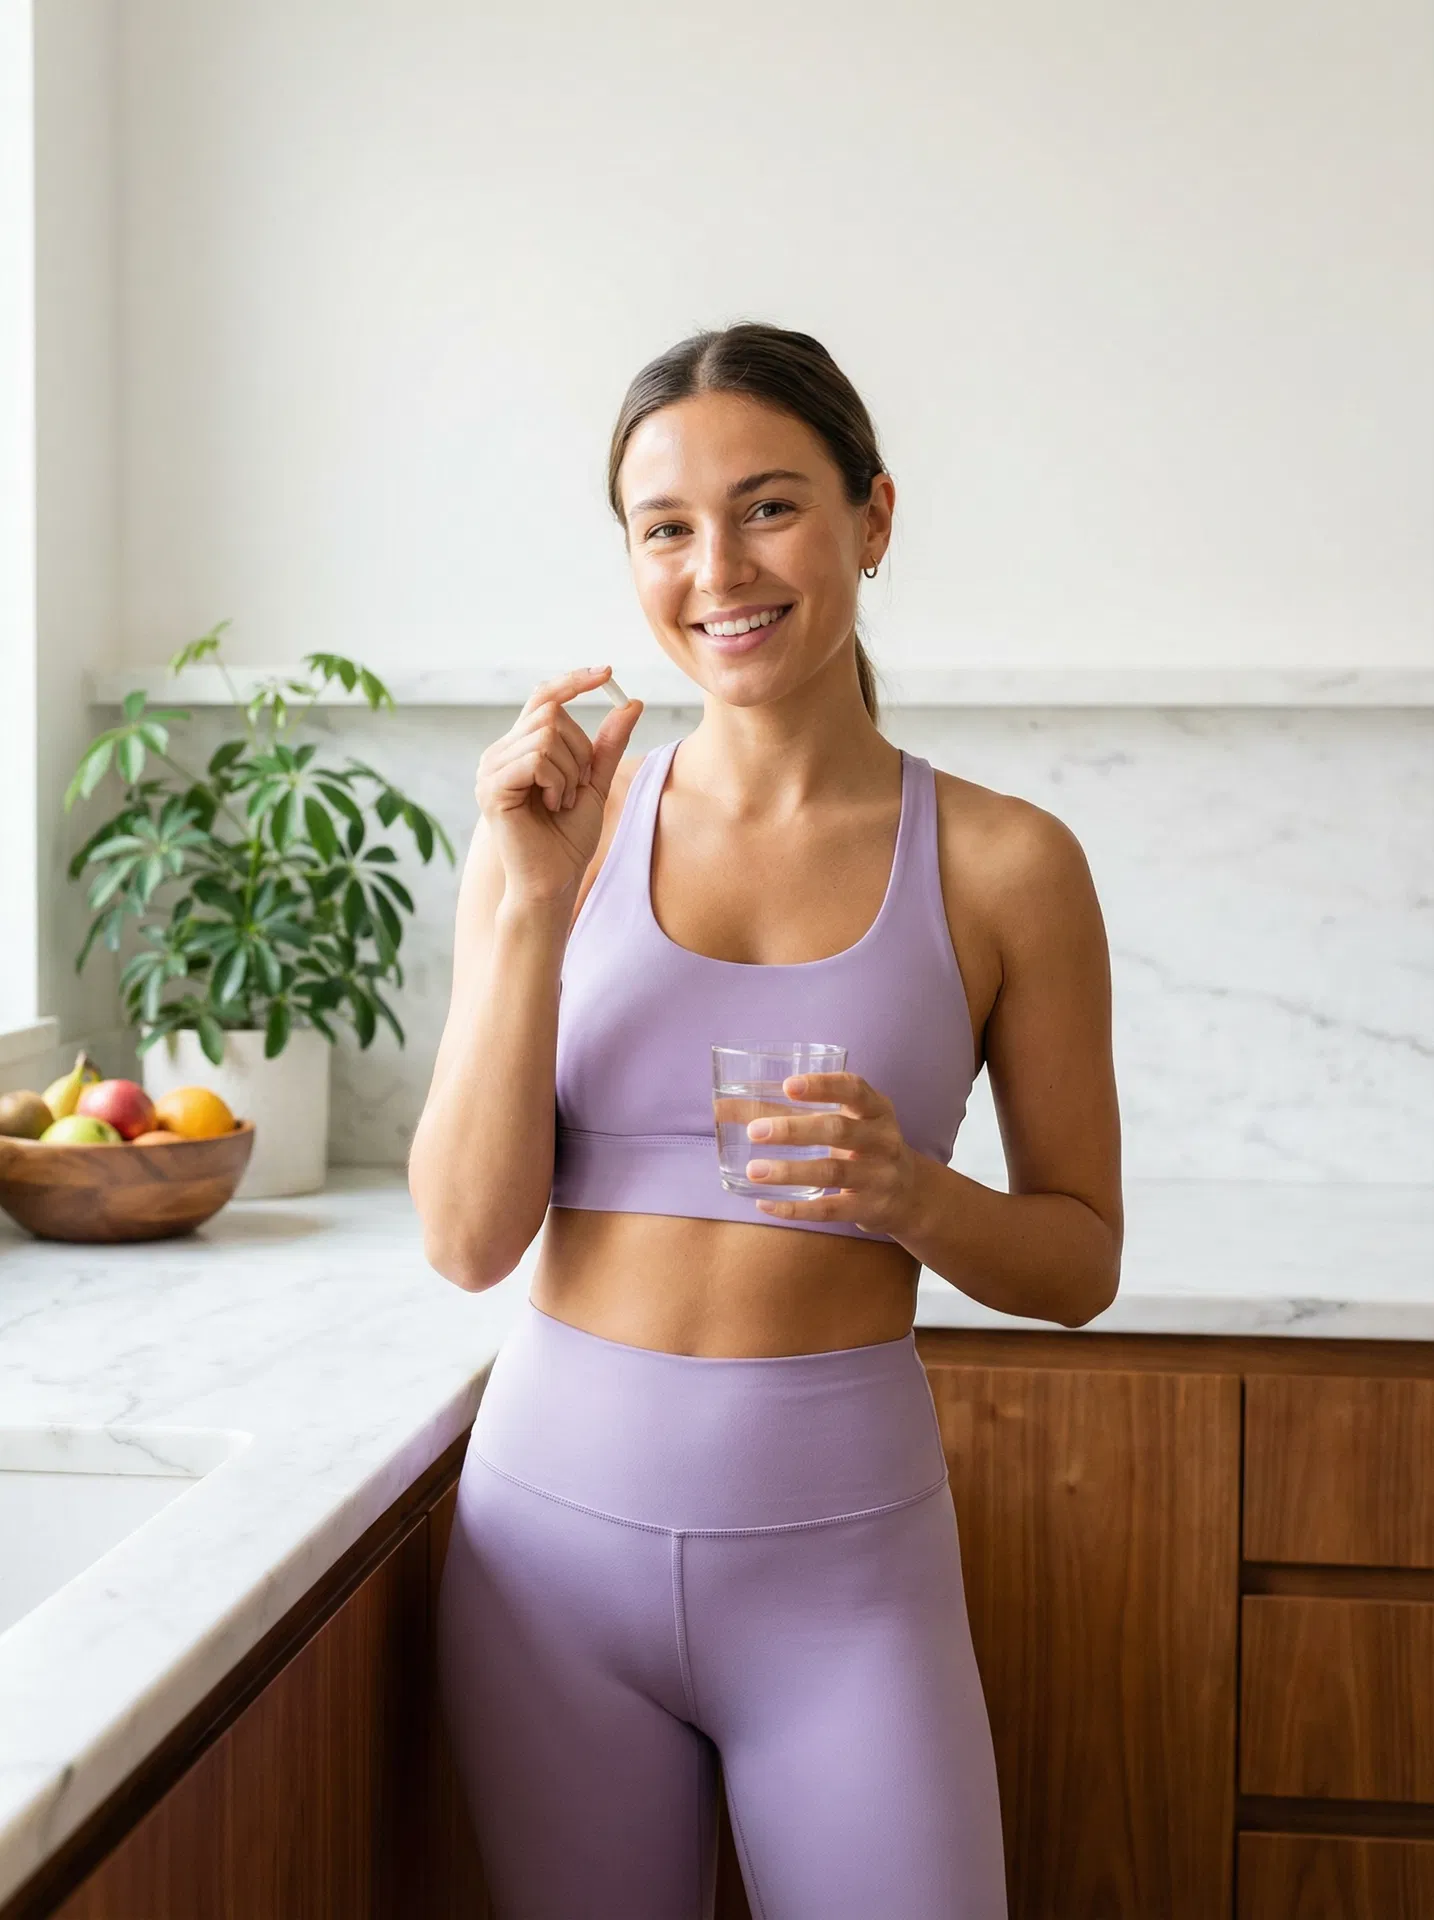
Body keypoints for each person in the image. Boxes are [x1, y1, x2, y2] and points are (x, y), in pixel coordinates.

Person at [409, 321, 1123, 1920]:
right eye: (664, 527)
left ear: (872, 517)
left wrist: (911, 1193)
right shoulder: (550, 838)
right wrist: (527, 906)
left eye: (770, 505)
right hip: (546, 1568)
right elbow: (464, 1240)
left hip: (842, 1582)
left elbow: (1077, 1260)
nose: (715, 565)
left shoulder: (1006, 864)